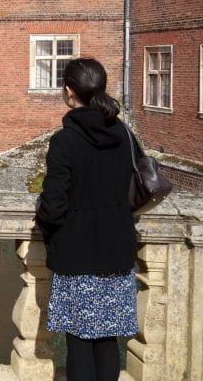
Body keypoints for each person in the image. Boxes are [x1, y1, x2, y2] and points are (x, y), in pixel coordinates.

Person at [36, 57, 138, 381]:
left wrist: (51, 230)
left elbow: (53, 206)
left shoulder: (65, 141)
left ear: (69, 92)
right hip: (117, 250)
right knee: (108, 341)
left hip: (77, 253)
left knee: (78, 343)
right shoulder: (123, 134)